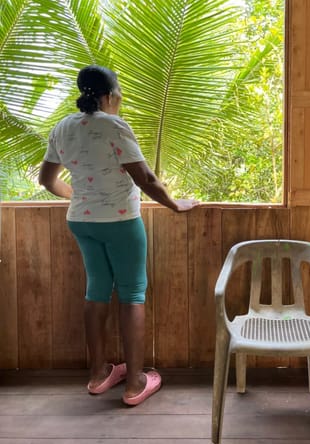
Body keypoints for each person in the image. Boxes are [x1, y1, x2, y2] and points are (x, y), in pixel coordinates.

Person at [39, 65, 198, 406]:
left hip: (81, 221)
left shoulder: (62, 127)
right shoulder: (114, 125)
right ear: (110, 95)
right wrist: (175, 205)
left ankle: (98, 375)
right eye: (120, 96)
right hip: (120, 221)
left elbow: (47, 180)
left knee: (96, 291)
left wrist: (82, 200)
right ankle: (135, 383)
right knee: (132, 294)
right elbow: (146, 178)